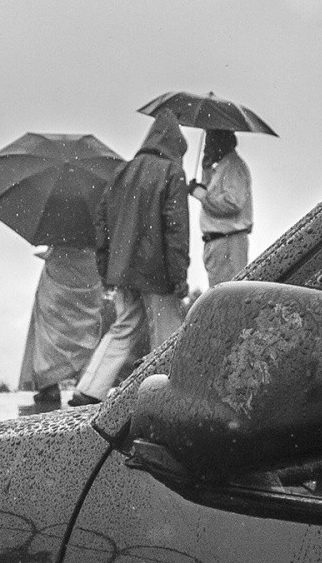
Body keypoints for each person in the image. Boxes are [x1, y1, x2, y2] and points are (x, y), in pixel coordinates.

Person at [70, 112, 190, 406]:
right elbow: (176, 227)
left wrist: (105, 266)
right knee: (168, 334)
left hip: (122, 269)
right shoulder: (172, 173)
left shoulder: (122, 171)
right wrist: (180, 275)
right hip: (157, 269)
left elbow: (102, 221)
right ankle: (165, 395)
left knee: (124, 327)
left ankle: (89, 389)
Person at [16, 246, 110, 411]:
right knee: (86, 324)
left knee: (50, 323)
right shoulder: (95, 223)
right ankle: (86, 379)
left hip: (60, 263)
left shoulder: (59, 224)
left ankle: (49, 383)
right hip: (89, 266)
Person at [191, 128, 253, 286]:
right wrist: (205, 170)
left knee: (227, 295)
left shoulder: (233, 166)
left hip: (228, 241)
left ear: (220, 142)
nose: (207, 147)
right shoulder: (223, 166)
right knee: (221, 294)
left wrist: (200, 194)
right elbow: (214, 193)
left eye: (210, 141)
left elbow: (232, 203)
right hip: (221, 243)